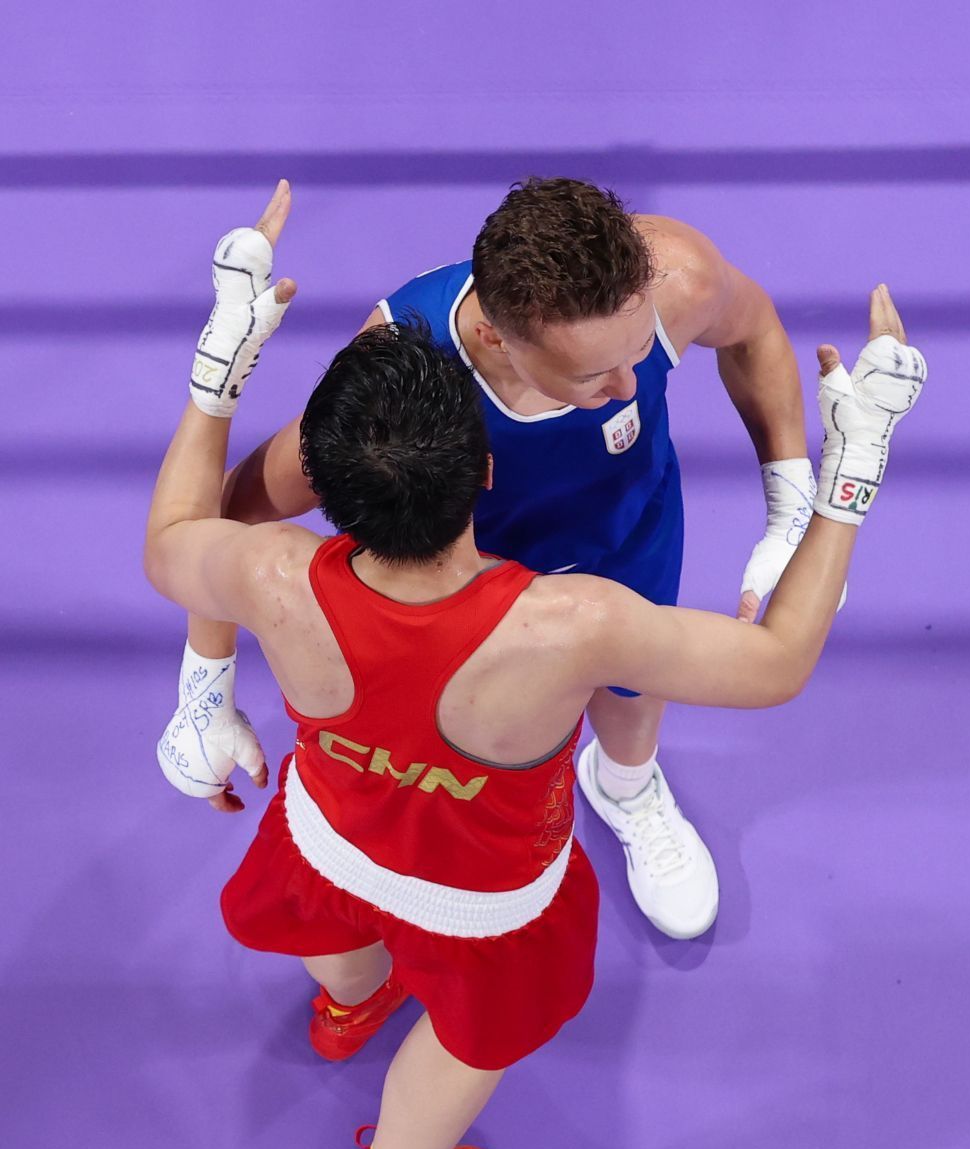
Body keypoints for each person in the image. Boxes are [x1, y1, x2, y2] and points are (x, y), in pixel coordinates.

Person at [145, 183, 924, 1149]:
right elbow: (779, 660)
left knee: (340, 923)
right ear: (481, 466)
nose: (631, 387)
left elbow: (186, 530)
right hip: (488, 889)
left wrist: (202, 680)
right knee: (462, 1048)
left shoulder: (276, 576)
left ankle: (355, 999)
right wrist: (853, 472)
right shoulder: (576, 626)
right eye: (594, 373)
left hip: (335, 825)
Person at [154, 175, 840, 943]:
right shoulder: (403, 373)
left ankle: (627, 787)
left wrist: (789, 499)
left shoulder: (677, 276)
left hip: (631, 531)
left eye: (639, 349)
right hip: (481, 599)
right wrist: (204, 687)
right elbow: (234, 509)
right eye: (592, 374)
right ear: (493, 339)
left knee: (635, 691)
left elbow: (754, 332)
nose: (628, 387)